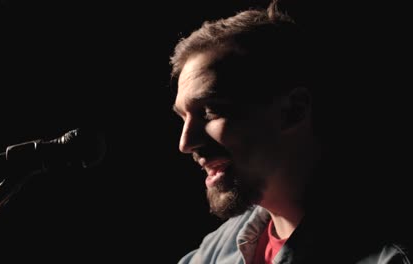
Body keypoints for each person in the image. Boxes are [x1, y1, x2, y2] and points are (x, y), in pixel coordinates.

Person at [169, 1, 411, 263]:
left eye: (210, 111)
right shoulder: (216, 249)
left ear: (293, 111)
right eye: (183, 116)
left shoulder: (389, 257)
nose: (186, 143)